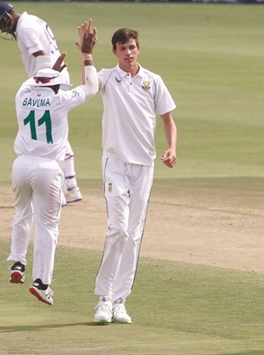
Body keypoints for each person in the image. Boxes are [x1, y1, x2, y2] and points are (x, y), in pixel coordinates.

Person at [6, 20, 98, 305]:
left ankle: (17, 263)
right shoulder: (61, 99)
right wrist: (86, 55)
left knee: (22, 214)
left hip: (20, 165)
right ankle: (42, 282)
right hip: (47, 168)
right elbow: (92, 87)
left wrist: (49, 72)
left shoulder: (21, 96)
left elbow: (34, 82)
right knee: (48, 226)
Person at [92, 28, 178, 325]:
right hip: (115, 162)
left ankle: (120, 300)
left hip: (144, 165)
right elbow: (90, 85)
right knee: (117, 229)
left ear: (138, 48)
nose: (128, 52)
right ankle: (103, 299)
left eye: (132, 47)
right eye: (122, 48)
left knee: (133, 233)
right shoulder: (107, 77)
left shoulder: (152, 81)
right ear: (115, 52)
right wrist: (86, 56)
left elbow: (168, 119)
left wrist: (171, 147)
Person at [0, 1, 83, 204]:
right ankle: (70, 186)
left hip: (50, 80)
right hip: (54, 79)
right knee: (55, 131)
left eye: (1, 25)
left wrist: (43, 83)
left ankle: (64, 189)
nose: (3, 30)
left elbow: (41, 56)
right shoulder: (33, 20)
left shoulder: (25, 27)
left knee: (49, 134)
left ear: (6, 17)